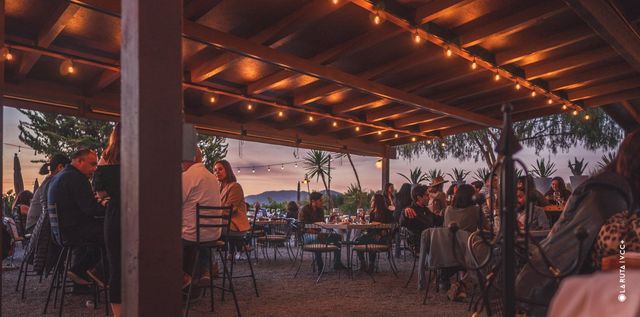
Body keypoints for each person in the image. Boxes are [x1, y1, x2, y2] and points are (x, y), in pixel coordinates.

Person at [516, 129, 640, 315]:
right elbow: (614, 244)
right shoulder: (607, 192)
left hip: (551, 285)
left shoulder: (613, 189)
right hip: (546, 293)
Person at [47, 149, 106, 286]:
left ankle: (84, 271)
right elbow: (91, 208)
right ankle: (97, 273)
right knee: (113, 232)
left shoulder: (60, 176)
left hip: (61, 233)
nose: (94, 168)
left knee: (103, 232)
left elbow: (84, 205)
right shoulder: (76, 178)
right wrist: (109, 207)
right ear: (80, 161)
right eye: (92, 164)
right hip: (73, 232)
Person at [181, 147, 222, 290]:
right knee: (197, 233)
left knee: (158, 239)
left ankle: (184, 278)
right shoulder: (212, 178)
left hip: (193, 236)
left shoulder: (187, 177)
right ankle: (204, 270)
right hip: (213, 234)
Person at [92, 124, 122, 316]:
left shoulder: (106, 157)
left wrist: (105, 201)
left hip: (115, 215)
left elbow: (98, 187)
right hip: (139, 214)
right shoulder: (142, 155)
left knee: (116, 268)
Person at [298, 192, 346, 271]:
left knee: (338, 237)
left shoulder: (320, 210)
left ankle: (337, 263)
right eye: (320, 200)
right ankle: (320, 265)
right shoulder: (305, 210)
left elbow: (323, 224)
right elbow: (302, 226)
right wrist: (314, 226)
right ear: (313, 201)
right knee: (318, 239)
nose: (322, 202)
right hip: (305, 236)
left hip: (318, 235)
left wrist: (331, 222)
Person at [25, 154, 70, 233]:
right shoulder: (51, 184)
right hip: (36, 229)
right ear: (60, 167)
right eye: (68, 170)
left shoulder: (49, 182)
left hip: (36, 226)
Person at [213, 160, 250, 255]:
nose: (217, 172)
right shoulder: (219, 188)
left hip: (235, 226)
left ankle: (207, 265)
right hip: (225, 224)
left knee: (204, 230)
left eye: (220, 169)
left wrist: (210, 214)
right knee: (202, 229)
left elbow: (227, 211)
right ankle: (209, 264)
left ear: (227, 170)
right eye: (215, 170)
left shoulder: (235, 187)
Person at [354, 194, 394, 273]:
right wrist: (364, 221)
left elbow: (393, 225)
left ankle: (371, 265)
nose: (371, 201)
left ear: (377, 202)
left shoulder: (387, 212)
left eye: (372, 200)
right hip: (373, 235)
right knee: (357, 240)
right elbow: (370, 226)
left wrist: (385, 232)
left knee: (371, 240)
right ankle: (363, 263)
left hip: (383, 238)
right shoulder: (372, 212)